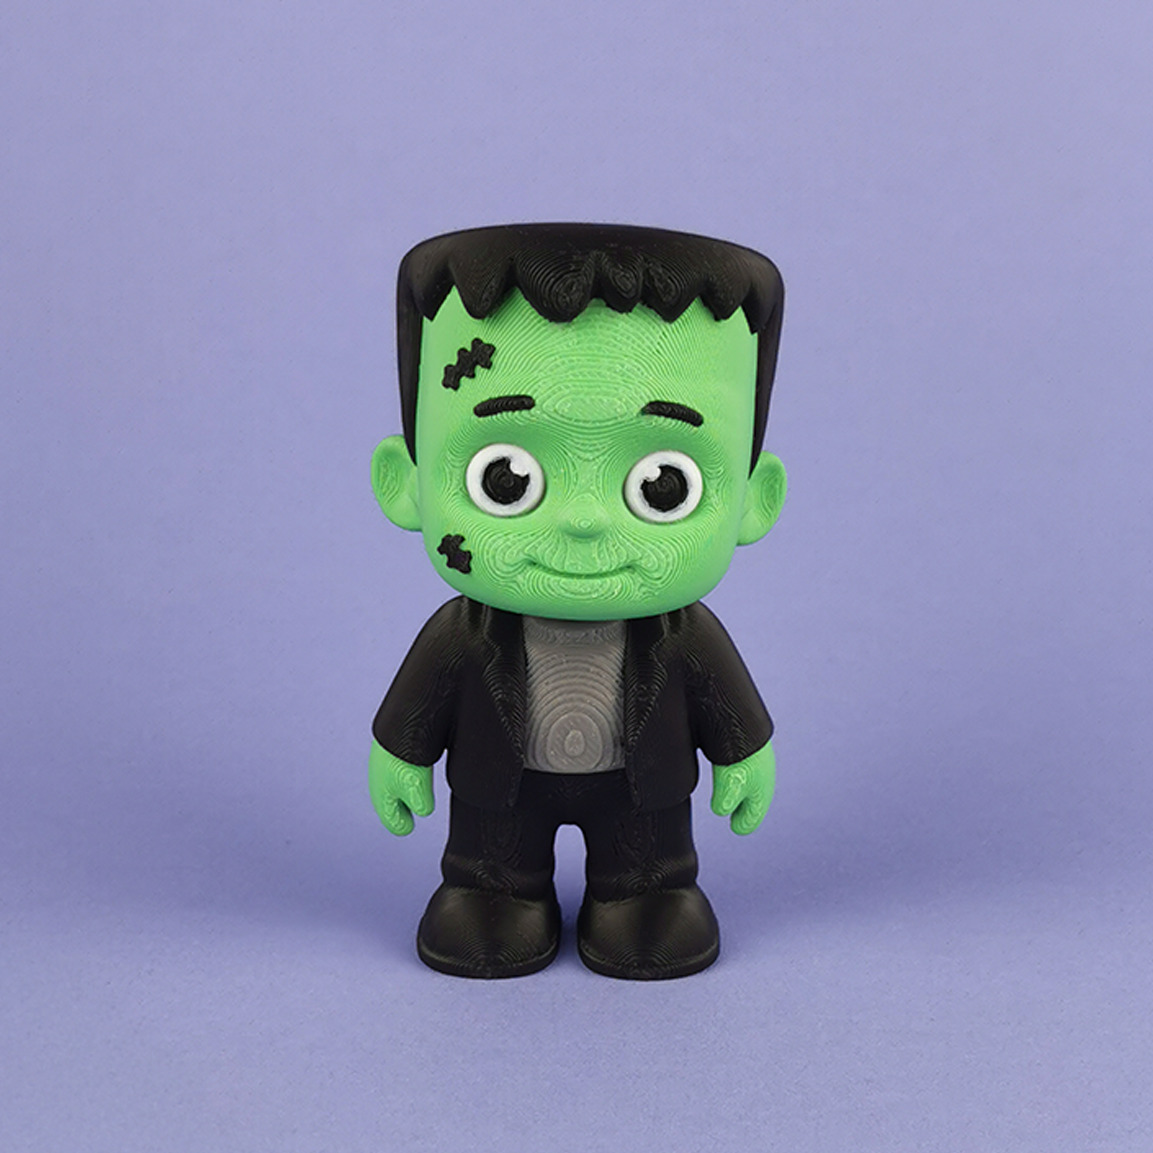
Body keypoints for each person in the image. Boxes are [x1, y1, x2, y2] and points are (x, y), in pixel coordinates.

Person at [368, 223, 787, 979]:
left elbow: (721, 696)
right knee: (491, 865)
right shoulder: (462, 634)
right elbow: (423, 694)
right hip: (498, 793)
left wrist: (744, 749)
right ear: (407, 484)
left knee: (647, 869)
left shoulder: (684, 635)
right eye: (504, 479)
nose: (585, 520)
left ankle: (648, 892)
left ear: (755, 502)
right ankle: (490, 890)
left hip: (642, 794)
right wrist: (399, 749)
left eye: (663, 486)